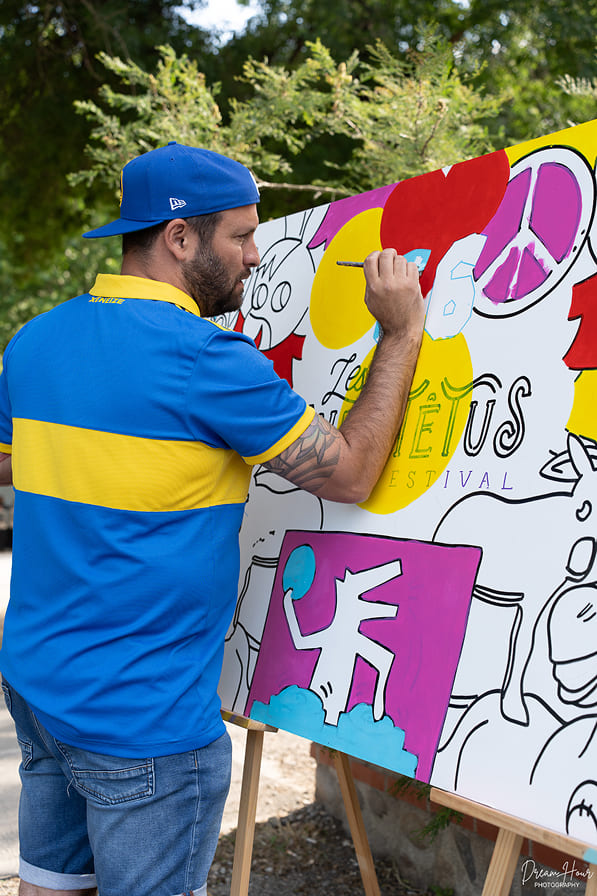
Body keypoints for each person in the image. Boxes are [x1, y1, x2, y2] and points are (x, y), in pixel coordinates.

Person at [0, 142, 424, 896]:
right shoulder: (206, 360)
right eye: (241, 235)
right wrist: (399, 334)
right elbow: (352, 472)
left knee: (49, 888)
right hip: (144, 717)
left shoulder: (35, 341)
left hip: (38, 686)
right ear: (179, 237)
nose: (255, 255)